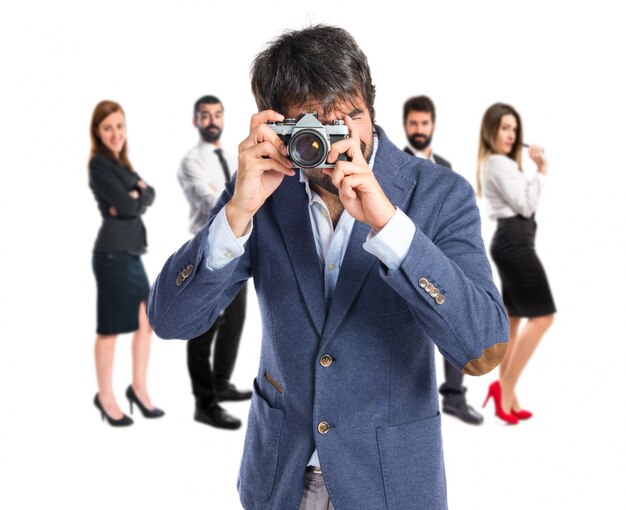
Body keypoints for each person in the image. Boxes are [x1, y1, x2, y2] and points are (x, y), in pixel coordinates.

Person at [148, 25, 508, 509]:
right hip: (279, 480)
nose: (340, 139)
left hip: (391, 484)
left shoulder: (441, 195)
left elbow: (483, 349)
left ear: (372, 109)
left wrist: (390, 226)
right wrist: (237, 213)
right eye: (314, 125)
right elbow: (170, 320)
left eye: (351, 117)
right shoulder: (261, 193)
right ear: (278, 126)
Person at [403, 95, 483, 426]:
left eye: (424, 123)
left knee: (454, 317)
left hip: (442, 257)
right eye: (413, 124)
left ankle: (453, 394)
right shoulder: (393, 167)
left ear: (433, 125)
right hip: (407, 257)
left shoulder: (446, 169)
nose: (419, 130)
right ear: (406, 125)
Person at [477, 102, 556, 425]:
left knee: (516, 318)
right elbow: (525, 206)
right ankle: (505, 388)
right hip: (514, 242)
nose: (510, 134)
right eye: (504, 128)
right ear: (492, 130)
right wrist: (541, 171)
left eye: (514, 128)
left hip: (515, 241)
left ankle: (506, 392)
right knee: (543, 317)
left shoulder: (502, 164)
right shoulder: (497, 163)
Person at [177, 95, 251, 430]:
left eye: (216, 115)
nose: (211, 121)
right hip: (207, 252)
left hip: (237, 249)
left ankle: (221, 383)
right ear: (196, 121)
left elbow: (229, 196)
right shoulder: (191, 161)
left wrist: (231, 195)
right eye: (205, 116)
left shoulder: (235, 158)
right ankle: (204, 402)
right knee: (201, 328)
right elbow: (214, 200)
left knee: (234, 322)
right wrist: (234, 196)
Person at [89, 100, 164, 426]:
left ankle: (139, 387)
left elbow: (149, 195)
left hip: (131, 253)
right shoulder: (99, 165)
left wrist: (137, 196)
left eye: (119, 126)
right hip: (112, 256)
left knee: (146, 321)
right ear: (98, 132)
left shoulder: (122, 164)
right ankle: (105, 397)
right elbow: (130, 204)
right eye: (108, 128)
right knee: (110, 329)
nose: (115, 133)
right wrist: (135, 196)